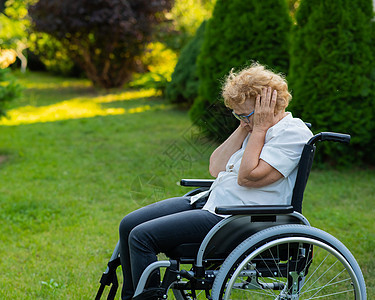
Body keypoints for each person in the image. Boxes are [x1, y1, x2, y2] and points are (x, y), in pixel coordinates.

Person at [118, 62, 313, 300]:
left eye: (246, 114)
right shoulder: (253, 127)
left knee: (142, 236)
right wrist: (245, 126)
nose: (244, 120)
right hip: (213, 202)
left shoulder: (293, 133)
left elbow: (248, 176)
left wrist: (259, 128)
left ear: (269, 105)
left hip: (239, 218)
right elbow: (215, 167)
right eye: (237, 114)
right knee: (129, 224)